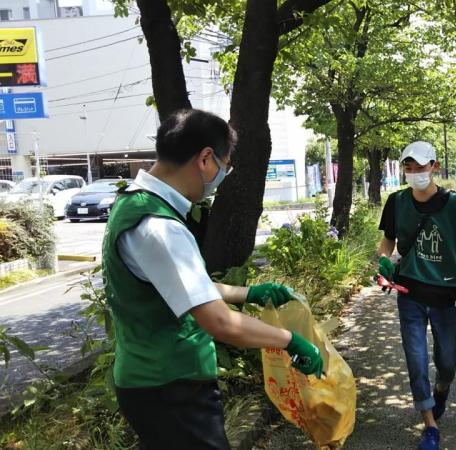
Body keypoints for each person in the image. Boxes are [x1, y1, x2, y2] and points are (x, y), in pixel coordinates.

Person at [103, 109, 324, 450]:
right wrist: (290, 340)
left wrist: (251, 292)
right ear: (205, 158)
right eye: (225, 164)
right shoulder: (160, 228)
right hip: (170, 389)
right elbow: (219, 322)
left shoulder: (135, 204)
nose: (224, 174)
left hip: (155, 383)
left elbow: (183, 286)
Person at [377, 141, 456, 450]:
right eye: (408, 168)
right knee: (416, 360)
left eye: (420, 167)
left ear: (435, 166)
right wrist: (383, 259)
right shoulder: (396, 202)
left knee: (448, 361)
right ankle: (430, 426)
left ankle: (441, 391)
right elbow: (387, 241)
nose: (414, 173)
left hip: (445, 295)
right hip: (409, 292)